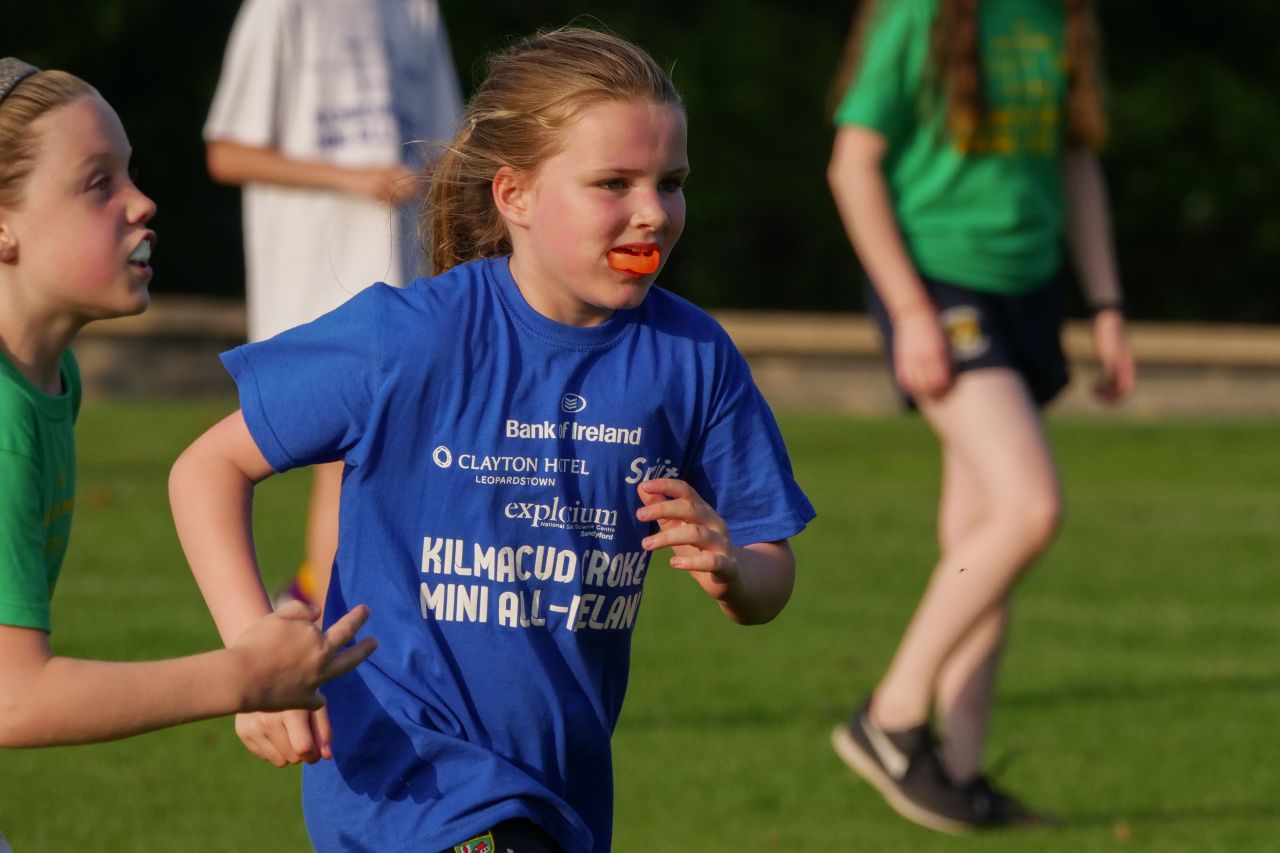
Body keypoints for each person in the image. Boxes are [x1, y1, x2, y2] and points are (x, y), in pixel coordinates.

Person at [168, 26, 816, 853]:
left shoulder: (690, 357)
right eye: (613, 182)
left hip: (563, 790)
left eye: (671, 182)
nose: (653, 210)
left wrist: (732, 569)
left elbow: (773, 568)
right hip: (412, 781)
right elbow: (209, 466)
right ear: (513, 196)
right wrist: (252, 647)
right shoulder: (411, 338)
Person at [0, 58, 377, 759]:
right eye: (97, 184)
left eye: (129, 174)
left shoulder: (50, 380)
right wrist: (245, 674)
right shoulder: (4, 421)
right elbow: (11, 697)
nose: (140, 203)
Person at [826, 0, 1135, 834]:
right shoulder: (921, 16)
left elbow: (1076, 162)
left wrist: (1105, 302)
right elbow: (851, 166)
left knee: (981, 539)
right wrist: (910, 310)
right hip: (939, 285)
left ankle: (958, 777)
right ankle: (889, 718)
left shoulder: (1061, 17)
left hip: (1026, 293)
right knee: (1030, 508)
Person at [204, 0, 464, 611]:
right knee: (346, 447)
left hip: (406, 275)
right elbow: (228, 151)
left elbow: (452, 145)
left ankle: (311, 609)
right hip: (312, 275)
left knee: (370, 452)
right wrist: (353, 178)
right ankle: (310, 611)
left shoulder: (414, 9)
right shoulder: (281, 9)